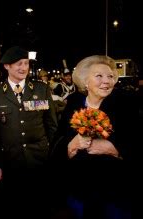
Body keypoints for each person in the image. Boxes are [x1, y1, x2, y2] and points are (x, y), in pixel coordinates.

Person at [50, 55, 136, 218]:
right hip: (78, 191)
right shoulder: (73, 103)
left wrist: (115, 149)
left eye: (110, 76)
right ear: (85, 82)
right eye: (99, 76)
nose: (107, 81)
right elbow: (57, 142)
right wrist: (71, 145)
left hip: (115, 194)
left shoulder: (126, 104)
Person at [0, 46, 58, 213]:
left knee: (41, 203)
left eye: (26, 63)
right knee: (15, 203)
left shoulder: (41, 89)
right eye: (18, 64)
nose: (24, 68)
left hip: (40, 158)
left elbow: (52, 125)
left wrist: (54, 155)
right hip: (11, 159)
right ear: (7, 66)